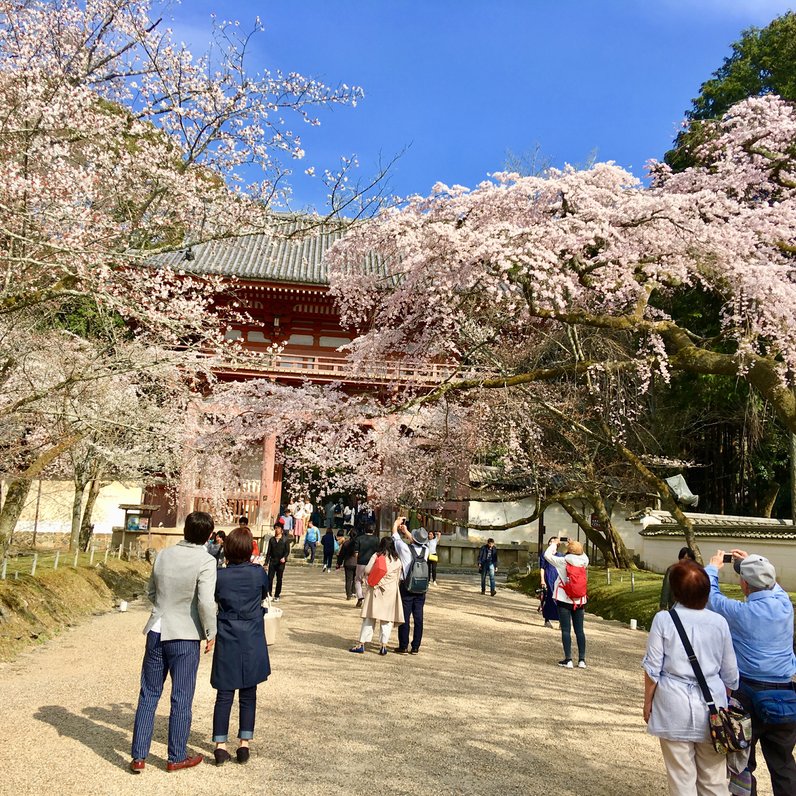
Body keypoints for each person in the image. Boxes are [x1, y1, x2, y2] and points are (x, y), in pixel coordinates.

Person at [130, 511, 217, 774]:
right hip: (185, 634)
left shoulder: (164, 554)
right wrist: (211, 632)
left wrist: (160, 608)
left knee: (149, 693)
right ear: (209, 535)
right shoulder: (206, 560)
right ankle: (176, 756)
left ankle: (138, 756)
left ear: (185, 530)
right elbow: (204, 602)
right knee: (181, 696)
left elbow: (151, 590)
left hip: (157, 628)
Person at [642, 560, 739, 796]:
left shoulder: (664, 620)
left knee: (681, 779)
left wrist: (647, 702)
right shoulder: (719, 623)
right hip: (713, 706)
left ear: (675, 591)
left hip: (673, 704)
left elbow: (652, 669)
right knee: (714, 780)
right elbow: (731, 675)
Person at [705, 549, 796, 796]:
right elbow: (771, 584)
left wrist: (713, 567)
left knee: (742, 760)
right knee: (784, 764)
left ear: (744, 585)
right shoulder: (785, 604)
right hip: (785, 695)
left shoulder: (741, 613)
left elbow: (712, 597)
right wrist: (749, 562)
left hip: (747, 694)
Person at [210, 527, 270, 766]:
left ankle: (220, 745)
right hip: (252, 634)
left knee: (224, 693)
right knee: (249, 692)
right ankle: (244, 743)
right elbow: (265, 593)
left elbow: (214, 598)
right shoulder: (258, 574)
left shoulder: (219, 576)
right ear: (248, 550)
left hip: (227, 633)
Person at [349, 536, 404, 655]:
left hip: (375, 589)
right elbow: (399, 577)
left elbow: (367, 570)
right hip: (390, 591)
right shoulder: (397, 560)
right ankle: (383, 645)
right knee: (386, 620)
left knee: (369, 617)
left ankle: (362, 643)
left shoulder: (377, 556)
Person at [543, 537, 589, 669]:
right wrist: (575, 543)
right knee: (579, 630)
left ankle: (568, 659)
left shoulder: (563, 561)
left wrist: (553, 544)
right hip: (580, 600)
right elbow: (582, 554)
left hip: (564, 599)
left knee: (566, 630)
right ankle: (582, 660)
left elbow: (547, 555)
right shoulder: (584, 561)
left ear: (568, 551)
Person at [392, 518, 429, 655]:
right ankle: (415, 646)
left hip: (407, 587)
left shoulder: (405, 549)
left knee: (405, 617)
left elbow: (395, 538)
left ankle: (403, 645)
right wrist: (407, 531)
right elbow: (418, 542)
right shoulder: (427, 550)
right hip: (421, 588)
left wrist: (396, 524)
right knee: (418, 617)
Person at [353, 524, 380, 608]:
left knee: (358, 580)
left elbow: (356, 553)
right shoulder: (376, 539)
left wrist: (358, 560)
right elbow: (378, 552)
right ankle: (370, 599)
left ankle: (360, 596)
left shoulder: (359, 539)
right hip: (372, 563)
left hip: (361, 562)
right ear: (373, 530)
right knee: (370, 581)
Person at [264, 523, 290, 602]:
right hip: (273, 561)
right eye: (275, 528)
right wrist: (266, 563)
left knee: (279, 579)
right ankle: (269, 593)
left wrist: (284, 558)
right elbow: (268, 552)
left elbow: (287, 551)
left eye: (278, 528)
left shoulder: (285, 540)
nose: (276, 529)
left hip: (281, 562)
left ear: (281, 529)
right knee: (269, 578)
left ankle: (277, 595)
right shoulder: (272, 539)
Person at [539, 536, 561, 628]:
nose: (552, 543)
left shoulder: (560, 555)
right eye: (550, 541)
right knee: (548, 598)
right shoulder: (544, 554)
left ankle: (561, 621)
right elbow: (542, 568)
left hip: (558, 577)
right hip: (548, 577)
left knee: (560, 599)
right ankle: (547, 619)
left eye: (554, 542)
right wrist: (542, 580)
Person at [336, 529, 358, 600]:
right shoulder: (358, 543)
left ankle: (348, 595)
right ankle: (354, 592)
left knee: (348, 580)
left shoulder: (346, 543)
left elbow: (341, 554)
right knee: (355, 579)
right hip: (357, 563)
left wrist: (339, 563)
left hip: (348, 563)